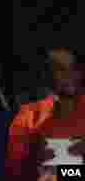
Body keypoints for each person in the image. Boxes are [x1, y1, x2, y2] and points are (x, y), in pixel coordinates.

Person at [6, 46, 85, 181]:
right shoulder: (28, 117)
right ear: (47, 74)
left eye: (73, 68)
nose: (69, 74)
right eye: (60, 69)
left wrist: (60, 173)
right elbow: (15, 172)